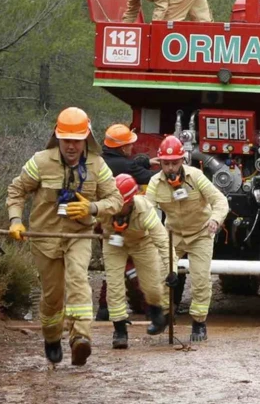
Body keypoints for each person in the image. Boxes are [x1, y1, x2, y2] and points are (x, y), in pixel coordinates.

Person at [6, 107, 123, 366]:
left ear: (86, 139)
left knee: (79, 279)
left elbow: (116, 199)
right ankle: (51, 337)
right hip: (44, 238)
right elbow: (16, 191)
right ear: (57, 138)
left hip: (79, 234)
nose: (71, 146)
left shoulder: (97, 165)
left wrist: (92, 208)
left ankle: (81, 338)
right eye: (66, 140)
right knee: (52, 296)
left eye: (76, 140)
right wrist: (16, 220)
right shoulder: (40, 162)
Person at [145, 135, 229, 341]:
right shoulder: (155, 183)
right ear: (160, 163)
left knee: (200, 279)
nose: (171, 168)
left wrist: (216, 220)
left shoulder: (196, 176)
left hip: (201, 233)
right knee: (162, 275)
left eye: (175, 163)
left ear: (183, 160)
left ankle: (199, 323)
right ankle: (164, 316)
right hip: (172, 234)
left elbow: (220, 200)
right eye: (166, 163)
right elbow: (147, 211)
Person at [99, 174, 175, 349]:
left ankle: (158, 314)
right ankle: (119, 330)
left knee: (152, 285)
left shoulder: (145, 210)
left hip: (143, 243)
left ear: (131, 201)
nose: (116, 207)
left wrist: (173, 269)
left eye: (121, 203)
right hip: (113, 242)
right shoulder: (104, 207)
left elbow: (163, 241)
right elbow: (85, 220)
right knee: (114, 285)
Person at [95, 123, 160, 321]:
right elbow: (149, 178)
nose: (132, 147)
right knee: (132, 264)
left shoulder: (99, 162)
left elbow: (134, 166)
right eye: (130, 145)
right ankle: (149, 307)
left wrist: (147, 161)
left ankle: (104, 309)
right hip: (122, 223)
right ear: (123, 148)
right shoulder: (125, 166)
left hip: (101, 222)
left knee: (114, 264)